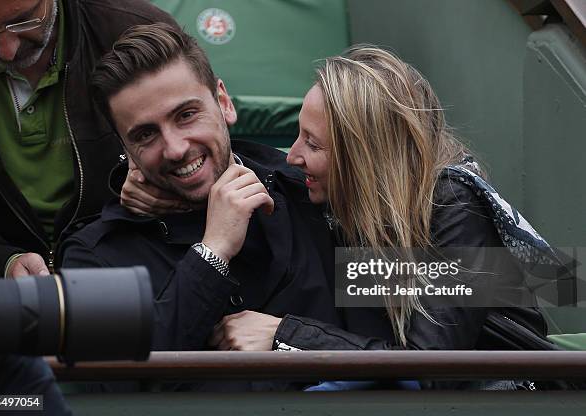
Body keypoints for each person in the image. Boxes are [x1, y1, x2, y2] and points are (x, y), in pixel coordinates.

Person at [212, 46, 559, 367]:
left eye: (312, 144)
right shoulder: (352, 213)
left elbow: (433, 365)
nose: (292, 156)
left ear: (364, 160)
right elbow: (370, 340)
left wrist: (282, 335)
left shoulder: (455, 204)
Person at [60, 23, 341, 365]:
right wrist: (212, 253)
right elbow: (109, 382)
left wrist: (287, 338)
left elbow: (408, 347)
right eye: (146, 135)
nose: (175, 149)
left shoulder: (319, 196)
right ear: (126, 149)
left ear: (223, 102)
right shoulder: (94, 258)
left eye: (186, 115)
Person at [0, 0, 180, 280]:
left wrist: (154, 179)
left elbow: (201, 151)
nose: (6, 50)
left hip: (126, 273)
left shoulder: (132, 28)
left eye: (24, 21)